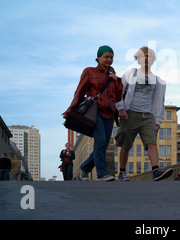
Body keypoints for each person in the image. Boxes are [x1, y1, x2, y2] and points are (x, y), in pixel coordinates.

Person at [63, 45, 123, 181]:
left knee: (103, 144)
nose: (109, 60)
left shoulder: (112, 74)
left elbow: (118, 97)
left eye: (111, 57)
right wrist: (70, 109)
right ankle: (102, 173)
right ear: (98, 58)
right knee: (100, 140)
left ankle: (85, 167)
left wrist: (117, 81)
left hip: (109, 113)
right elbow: (79, 92)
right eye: (106, 57)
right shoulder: (89, 72)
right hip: (95, 111)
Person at [115, 46, 173, 181]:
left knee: (152, 142)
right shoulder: (131, 74)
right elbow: (119, 91)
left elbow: (159, 101)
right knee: (125, 145)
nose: (146, 58)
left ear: (153, 60)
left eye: (149, 56)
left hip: (147, 116)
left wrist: (158, 120)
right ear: (138, 59)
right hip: (130, 113)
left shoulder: (158, 81)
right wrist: (121, 109)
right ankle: (122, 172)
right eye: (143, 56)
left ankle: (155, 171)